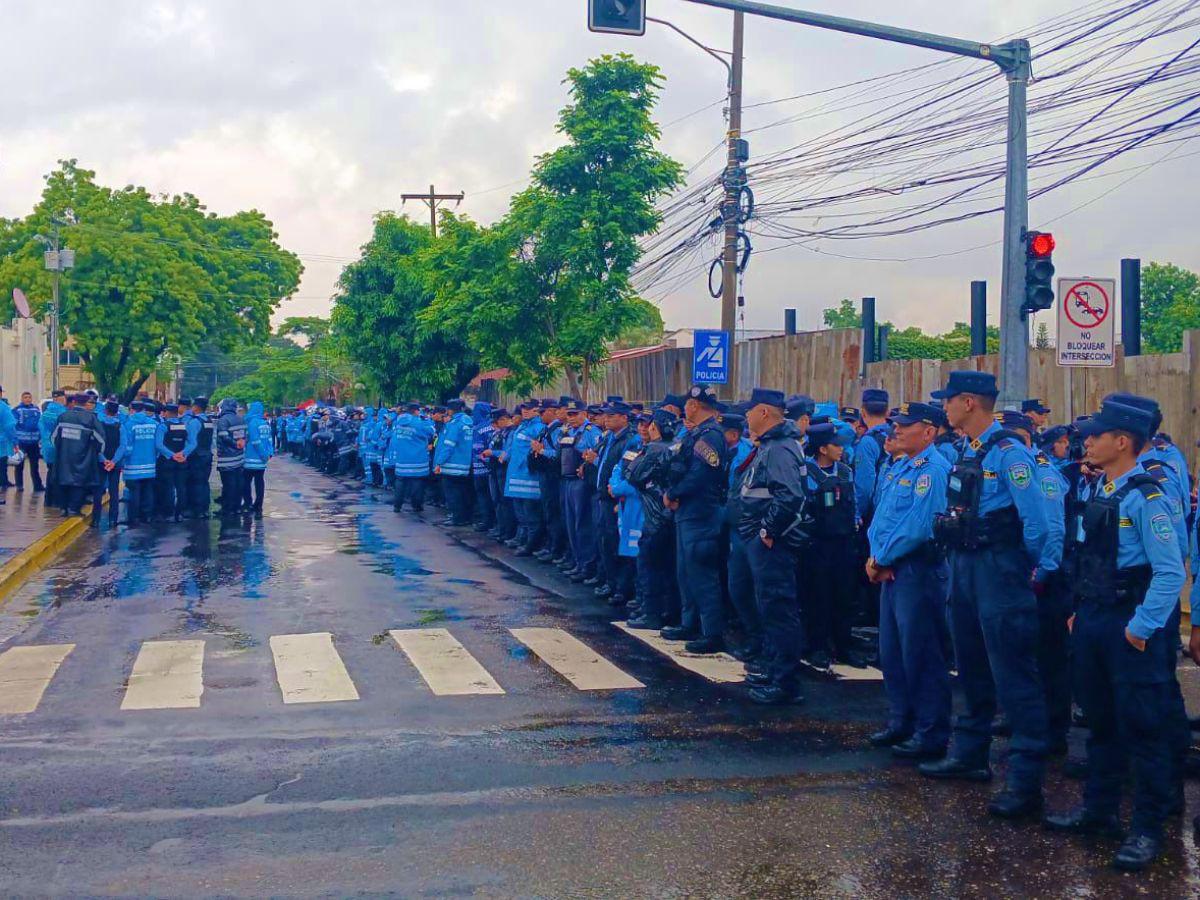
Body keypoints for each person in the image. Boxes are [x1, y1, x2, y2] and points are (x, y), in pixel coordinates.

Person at [1044, 399, 1186, 872]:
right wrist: (1080, 613)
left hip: (1131, 625)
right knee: (1100, 723)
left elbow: (1169, 573)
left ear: (1122, 442)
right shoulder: (1102, 488)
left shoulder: (1148, 496)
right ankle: (1098, 811)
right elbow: (1089, 558)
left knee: (1143, 729)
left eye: (1097, 434)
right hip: (1095, 620)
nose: (1088, 440)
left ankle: (1147, 829)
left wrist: (1141, 630)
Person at [922, 371, 1051, 821]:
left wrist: (1026, 569)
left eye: (950, 401)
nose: (945, 408)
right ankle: (971, 754)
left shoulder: (1010, 453)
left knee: (1014, 675)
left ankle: (1025, 781)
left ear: (970, 402)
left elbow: (1038, 523)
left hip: (999, 567)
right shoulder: (967, 450)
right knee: (972, 665)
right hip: (966, 565)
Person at [866, 401, 953, 760]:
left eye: (906, 425)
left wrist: (882, 558)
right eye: (896, 424)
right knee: (893, 652)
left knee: (921, 653)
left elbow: (919, 526)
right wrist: (875, 558)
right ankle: (902, 719)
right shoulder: (899, 465)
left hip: (916, 570)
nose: (896, 430)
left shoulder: (932, 469)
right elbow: (882, 518)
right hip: (890, 569)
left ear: (929, 431)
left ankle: (930, 731)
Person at [738, 388, 810, 704]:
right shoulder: (773, 444)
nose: (745, 416)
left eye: (750, 410)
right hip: (763, 542)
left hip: (772, 544)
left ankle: (785, 682)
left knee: (778, 609)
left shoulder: (780, 448)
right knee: (768, 607)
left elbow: (790, 496)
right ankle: (774, 669)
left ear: (764, 412)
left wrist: (768, 529)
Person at [663, 386, 730, 654]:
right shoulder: (696, 433)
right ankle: (689, 623)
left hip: (701, 512)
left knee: (702, 573)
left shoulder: (710, 435)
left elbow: (701, 475)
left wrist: (674, 493)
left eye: (689, 403)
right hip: (688, 511)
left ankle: (712, 632)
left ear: (694, 405)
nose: (686, 408)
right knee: (686, 571)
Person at [803, 422, 866, 669]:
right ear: (821, 448)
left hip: (843, 542)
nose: (841, 449)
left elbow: (854, 503)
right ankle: (817, 646)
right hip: (817, 543)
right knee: (817, 596)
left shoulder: (845, 471)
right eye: (836, 445)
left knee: (844, 596)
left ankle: (844, 646)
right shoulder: (806, 472)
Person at [626, 409, 681, 630]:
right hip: (673, 516)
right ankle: (669, 611)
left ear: (654, 427)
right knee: (670, 568)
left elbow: (633, 474)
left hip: (655, 517)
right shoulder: (678, 447)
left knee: (649, 566)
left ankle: (651, 613)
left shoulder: (652, 449)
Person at [556, 400, 601, 582]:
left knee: (582, 525)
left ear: (584, 414)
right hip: (567, 480)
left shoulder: (592, 432)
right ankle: (578, 562)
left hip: (581, 482)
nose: (571, 418)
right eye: (569, 414)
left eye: (575, 414)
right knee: (571, 524)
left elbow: (594, 456)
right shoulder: (568, 431)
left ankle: (587, 566)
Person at [51, 393, 105, 516]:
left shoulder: (63, 416)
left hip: (64, 456)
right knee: (79, 483)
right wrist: (97, 453)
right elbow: (101, 440)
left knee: (63, 481)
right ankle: (73, 509)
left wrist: (61, 449)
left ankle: (63, 509)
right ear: (86, 403)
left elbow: (53, 437)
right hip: (83, 457)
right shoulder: (90, 419)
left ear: (74, 402)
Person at [502, 402, 545, 554]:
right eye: (523, 409)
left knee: (530, 514)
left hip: (529, 477)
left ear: (536, 410)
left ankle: (530, 544)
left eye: (529, 409)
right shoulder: (522, 426)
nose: (525, 412)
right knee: (520, 512)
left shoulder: (538, 427)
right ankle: (521, 538)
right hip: (516, 475)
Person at [388, 402, 436, 513]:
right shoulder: (419, 422)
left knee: (400, 482)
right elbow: (431, 432)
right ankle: (416, 506)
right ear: (416, 411)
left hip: (402, 459)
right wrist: (427, 420)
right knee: (417, 484)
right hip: (417, 459)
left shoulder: (399, 422)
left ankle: (397, 506)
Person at [434, 399, 474, 526]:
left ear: (450, 410)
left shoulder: (454, 424)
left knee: (452, 494)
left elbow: (448, 446)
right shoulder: (468, 422)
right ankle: (465, 517)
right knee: (463, 493)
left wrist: (439, 462)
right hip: (465, 464)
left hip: (451, 465)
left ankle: (456, 518)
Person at [155, 402, 195, 522]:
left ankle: (169, 513)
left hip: (166, 461)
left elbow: (159, 445)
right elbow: (193, 443)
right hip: (182, 461)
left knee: (168, 487)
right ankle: (180, 513)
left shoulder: (163, 426)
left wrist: (172, 455)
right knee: (181, 486)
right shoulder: (185, 425)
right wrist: (183, 454)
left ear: (167, 413)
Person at [121, 400, 159, 526]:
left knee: (134, 493)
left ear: (132, 410)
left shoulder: (128, 424)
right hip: (150, 465)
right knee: (148, 491)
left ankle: (134, 518)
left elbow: (127, 447)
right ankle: (147, 516)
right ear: (143, 410)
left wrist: (122, 459)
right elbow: (158, 445)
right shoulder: (154, 424)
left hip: (133, 466)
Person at [92, 399, 127, 528]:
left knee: (98, 491)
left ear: (105, 410)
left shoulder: (99, 425)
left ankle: (95, 520)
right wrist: (113, 462)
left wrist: (103, 459)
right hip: (115, 463)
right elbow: (123, 446)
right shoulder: (121, 426)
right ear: (117, 412)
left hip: (101, 462)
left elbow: (95, 444)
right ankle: (113, 520)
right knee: (114, 492)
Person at [214, 398, 248, 519]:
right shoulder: (240, 419)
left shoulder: (223, 420)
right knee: (238, 483)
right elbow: (245, 436)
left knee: (228, 485)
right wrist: (240, 444)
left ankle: (228, 508)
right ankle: (237, 507)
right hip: (239, 457)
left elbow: (223, 436)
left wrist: (234, 444)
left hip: (226, 458)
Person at [242, 401, 274, 518]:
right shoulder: (265, 423)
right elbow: (269, 439)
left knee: (246, 482)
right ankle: (258, 505)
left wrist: (262, 454)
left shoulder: (252, 423)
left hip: (251, 458)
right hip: (262, 461)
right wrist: (269, 453)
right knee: (259, 482)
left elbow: (255, 441)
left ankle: (248, 503)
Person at [186, 398, 215, 519]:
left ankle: (196, 510)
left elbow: (191, 441)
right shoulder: (209, 421)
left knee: (195, 482)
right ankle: (205, 508)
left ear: (196, 407)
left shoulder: (194, 422)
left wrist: (184, 454)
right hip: (207, 455)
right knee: (204, 482)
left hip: (196, 456)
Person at [39, 390, 66, 508]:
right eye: (64, 398)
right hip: (57, 448)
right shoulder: (62, 412)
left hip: (47, 447)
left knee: (50, 472)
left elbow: (40, 428)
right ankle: (56, 501)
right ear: (60, 399)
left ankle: (48, 500)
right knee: (56, 475)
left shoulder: (46, 412)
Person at [13, 390, 44, 492]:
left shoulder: (36, 410)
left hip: (34, 442)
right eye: (25, 397)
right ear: (22, 399)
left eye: (29, 397)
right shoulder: (17, 410)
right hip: (21, 442)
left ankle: (37, 486)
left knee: (35, 466)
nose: (27, 399)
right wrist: (15, 441)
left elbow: (40, 423)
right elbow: (14, 425)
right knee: (19, 465)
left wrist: (40, 437)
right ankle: (19, 485)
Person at [0, 386, 16, 502]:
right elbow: (10, 427)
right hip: (1, 445)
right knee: (2, 468)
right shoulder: (3, 408)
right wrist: (14, 441)